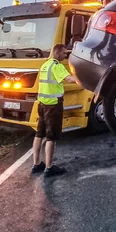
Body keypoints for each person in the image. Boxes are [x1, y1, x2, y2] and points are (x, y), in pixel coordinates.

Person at [31, 43, 77, 177]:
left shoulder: (45, 65)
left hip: (42, 104)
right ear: (57, 53)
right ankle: (49, 168)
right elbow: (69, 79)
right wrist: (84, 79)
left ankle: (36, 164)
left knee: (39, 134)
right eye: (64, 53)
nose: (65, 55)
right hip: (53, 106)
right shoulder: (57, 66)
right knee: (51, 137)